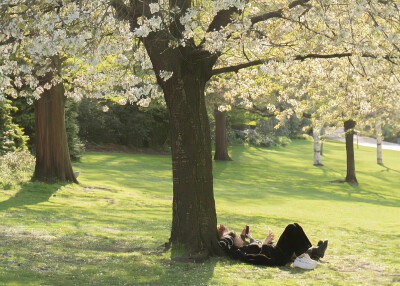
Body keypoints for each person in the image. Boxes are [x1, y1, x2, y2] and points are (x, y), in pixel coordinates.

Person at [218, 223, 328, 270]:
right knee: (291, 228)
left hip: (275, 252)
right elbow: (258, 257)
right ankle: (307, 254)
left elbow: (253, 246)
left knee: (295, 227)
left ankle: (309, 253)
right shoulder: (240, 252)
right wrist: (265, 243)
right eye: (233, 236)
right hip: (276, 257)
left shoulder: (243, 246)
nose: (235, 235)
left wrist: (248, 237)